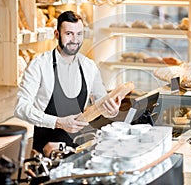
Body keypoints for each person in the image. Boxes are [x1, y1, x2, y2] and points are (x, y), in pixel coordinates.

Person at [14, 11, 122, 156]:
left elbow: (100, 101)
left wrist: (111, 110)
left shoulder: (89, 66)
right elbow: (20, 108)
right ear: (57, 34)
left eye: (79, 34)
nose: (75, 40)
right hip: (45, 150)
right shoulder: (39, 65)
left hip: (77, 147)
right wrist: (58, 122)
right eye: (69, 34)